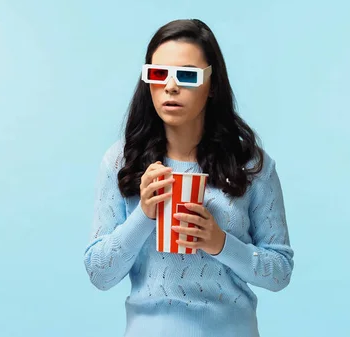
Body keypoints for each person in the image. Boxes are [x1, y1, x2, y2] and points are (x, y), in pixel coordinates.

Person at [84, 18, 293, 337]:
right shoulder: (121, 161)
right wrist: (144, 214)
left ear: (212, 85)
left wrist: (219, 242)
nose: (170, 86)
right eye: (157, 74)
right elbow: (100, 274)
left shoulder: (251, 165)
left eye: (187, 75)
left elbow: (279, 273)